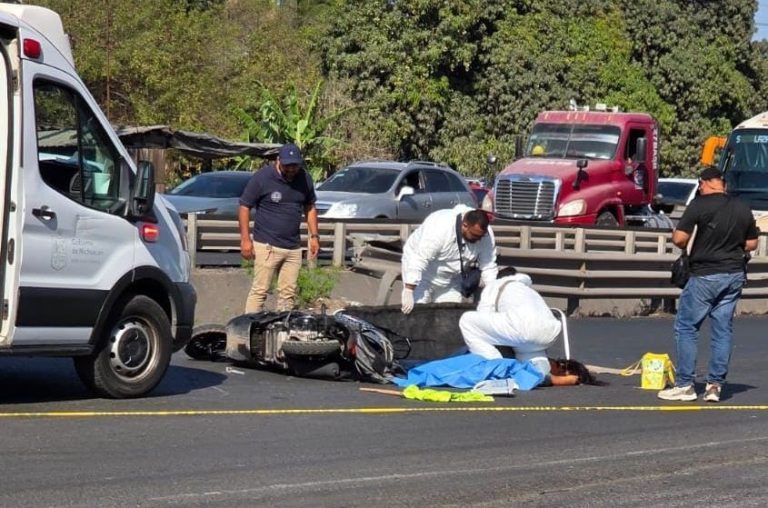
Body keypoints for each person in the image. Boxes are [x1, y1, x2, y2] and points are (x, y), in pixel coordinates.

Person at [658, 166, 758, 403]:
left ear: (704, 183)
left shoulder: (699, 205)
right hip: (734, 275)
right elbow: (752, 244)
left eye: (700, 185)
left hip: (705, 274)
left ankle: (685, 385)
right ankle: (715, 386)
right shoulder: (742, 207)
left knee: (687, 327)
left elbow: (680, 239)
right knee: (722, 329)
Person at [239, 143, 320, 313]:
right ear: (278, 160)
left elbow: (310, 207)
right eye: (287, 165)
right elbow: (244, 206)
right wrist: (245, 240)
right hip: (267, 246)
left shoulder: (304, 178)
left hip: (293, 248)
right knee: (260, 291)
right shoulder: (262, 178)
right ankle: (248, 326)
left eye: (295, 165)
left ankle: (283, 327)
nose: (291, 169)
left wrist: (314, 236)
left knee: (288, 294)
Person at [459, 273, 561, 377]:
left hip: (522, 330)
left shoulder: (494, 285)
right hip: (551, 333)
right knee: (527, 347)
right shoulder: (528, 290)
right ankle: (540, 374)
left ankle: (498, 370)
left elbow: (483, 317)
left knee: (467, 321)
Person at [400, 205, 498, 314]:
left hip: (451, 278)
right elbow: (419, 259)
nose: (478, 240)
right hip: (423, 274)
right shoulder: (440, 227)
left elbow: (489, 267)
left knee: (449, 313)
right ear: (464, 225)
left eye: (481, 236)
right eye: (475, 235)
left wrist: (493, 295)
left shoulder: (486, 236)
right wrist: (409, 289)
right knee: (419, 310)